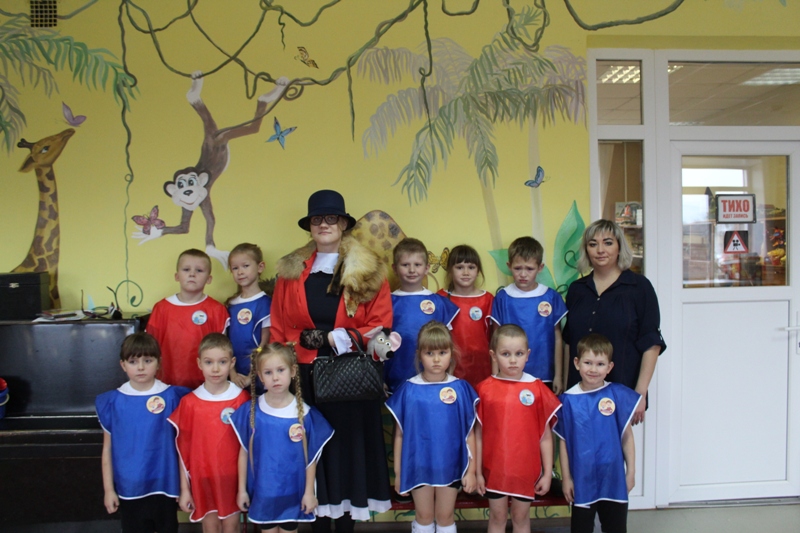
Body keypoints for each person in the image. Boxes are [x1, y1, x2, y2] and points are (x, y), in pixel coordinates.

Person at [270, 189, 393, 532]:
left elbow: (381, 326)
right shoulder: (291, 270)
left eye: (330, 218)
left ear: (342, 224)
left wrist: (330, 339)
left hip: (350, 377)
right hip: (305, 374)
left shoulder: (368, 269)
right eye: (317, 219)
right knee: (314, 451)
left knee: (348, 452)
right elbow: (279, 325)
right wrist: (286, 362)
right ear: (310, 226)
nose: (323, 224)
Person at [563, 219, 666, 425]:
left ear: (619, 247)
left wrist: (640, 394)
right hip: (579, 394)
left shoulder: (639, 288)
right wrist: (565, 389)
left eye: (608, 242)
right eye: (593, 244)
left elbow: (651, 343)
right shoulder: (576, 290)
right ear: (586, 250)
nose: (600, 250)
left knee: (614, 445)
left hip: (621, 392)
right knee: (577, 444)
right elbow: (568, 342)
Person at [386, 321, 479, 533]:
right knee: (424, 516)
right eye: (429, 353)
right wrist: (399, 474)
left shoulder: (461, 389)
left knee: (445, 516)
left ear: (451, 354)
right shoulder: (409, 390)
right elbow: (399, 435)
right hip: (418, 467)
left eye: (442, 352)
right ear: (419, 355)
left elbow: (469, 434)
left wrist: (471, 471)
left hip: (450, 466)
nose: (436, 359)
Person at [232, 343, 334, 532]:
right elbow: (244, 453)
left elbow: (311, 459)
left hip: (293, 494)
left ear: (293, 371)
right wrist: (242, 490)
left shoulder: (305, 414)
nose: (275, 377)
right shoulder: (251, 411)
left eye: (281, 370)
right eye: (268, 372)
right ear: (260, 377)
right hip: (264, 493)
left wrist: (309, 492)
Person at [96, 332, 191, 533]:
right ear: (123, 365)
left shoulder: (173, 397)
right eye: (133, 361)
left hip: (165, 485)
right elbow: (107, 450)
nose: (140, 367)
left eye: (147, 360)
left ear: (158, 363)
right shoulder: (112, 402)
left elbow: (183, 448)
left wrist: (185, 489)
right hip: (130, 487)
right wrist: (109, 490)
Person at [475, 325, 561, 533]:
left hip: (526, 471)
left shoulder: (537, 388)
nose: (513, 360)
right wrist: (477, 472)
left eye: (519, 354)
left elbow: (545, 436)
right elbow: (477, 435)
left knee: (521, 518)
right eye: (506, 354)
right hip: (494, 470)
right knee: (497, 517)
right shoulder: (484, 389)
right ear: (493, 355)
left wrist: (547, 473)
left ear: (528, 355)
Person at [554, 334, 639, 533]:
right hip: (582, 479)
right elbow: (564, 443)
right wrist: (567, 478)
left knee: (616, 528)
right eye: (588, 363)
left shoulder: (617, 394)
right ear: (577, 363)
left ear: (609, 367)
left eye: (600, 364)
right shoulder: (567, 401)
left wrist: (631, 472)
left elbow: (627, 437)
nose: (593, 369)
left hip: (613, 477)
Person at [168, 333, 249, 533]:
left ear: (232, 363)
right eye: (209, 362)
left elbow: (249, 446)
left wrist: (245, 487)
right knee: (210, 527)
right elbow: (182, 451)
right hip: (202, 479)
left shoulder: (242, 399)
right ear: (199, 363)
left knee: (231, 528)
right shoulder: (189, 403)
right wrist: (184, 489)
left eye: (222, 362)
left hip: (233, 479)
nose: (215, 369)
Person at [489, 237, 567, 392]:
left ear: (540, 267)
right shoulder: (502, 298)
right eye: (518, 268)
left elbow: (558, 338)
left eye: (529, 269)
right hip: (509, 374)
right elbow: (495, 339)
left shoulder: (550, 297)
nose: (523, 274)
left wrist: (558, 375)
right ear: (509, 266)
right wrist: (495, 375)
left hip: (544, 373)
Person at [147, 249, 228, 389]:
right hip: (165, 386)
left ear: (209, 279)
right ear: (177, 276)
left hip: (206, 387)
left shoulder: (217, 310)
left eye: (199, 270)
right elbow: (150, 349)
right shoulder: (161, 308)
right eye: (186, 269)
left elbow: (222, 352)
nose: (192, 274)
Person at [385, 237, 459, 392]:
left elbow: (448, 344)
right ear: (395, 268)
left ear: (426, 268)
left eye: (417, 265)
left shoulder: (439, 303)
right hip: (395, 377)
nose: (412, 270)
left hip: (434, 379)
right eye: (405, 265)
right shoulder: (386, 303)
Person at [437, 245, 493, 388]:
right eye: (460, 267)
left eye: (471, 267)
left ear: (478, 271)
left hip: (482, 368)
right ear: (450, 270)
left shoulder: (488, 300)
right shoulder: (441, 298)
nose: (466, 272)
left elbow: (496, 338)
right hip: (451, 367)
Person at [226, 243, 272, 392]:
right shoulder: (230, 305)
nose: (240, 272)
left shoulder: (266, 303)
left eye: (245, 266)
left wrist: (251, 377)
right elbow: (224, 345)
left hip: (259, 375)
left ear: (260, 267)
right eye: (235, 268)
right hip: (234, 375)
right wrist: (232, 374)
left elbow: (265, 344)